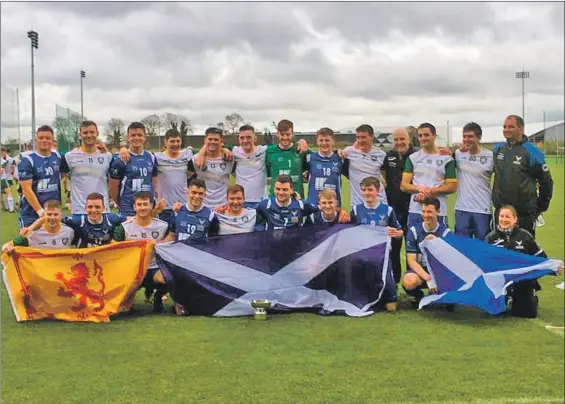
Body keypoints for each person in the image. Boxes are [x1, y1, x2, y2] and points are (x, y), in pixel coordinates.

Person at [485, 205, 562, 318]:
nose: (504, 219)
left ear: (515, 219)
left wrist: (554, 268)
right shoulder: (490, 238)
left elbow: (541, 258)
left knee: (527, 313)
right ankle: (506, 299)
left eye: (508, 217)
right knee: (496, 313)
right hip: (499, 280)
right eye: (501, 216)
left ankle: (529, 296)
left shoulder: (525, 236)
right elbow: (484, 261)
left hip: (521, 280)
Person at [491, 115, 553, 238]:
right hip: (501, 212)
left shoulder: (532, 152)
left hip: (523, 214)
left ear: (521, 129)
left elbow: (546, 181)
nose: (506, 129)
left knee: (523, 251)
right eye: (504, 127)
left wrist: (541, 206)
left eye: (511, 127)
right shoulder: (498, 149)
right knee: (500, 250)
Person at [349, 176, 403, 312]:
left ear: (377, 191)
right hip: (362, 254)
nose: (367, 193)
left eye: (370, 190)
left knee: (391, 307)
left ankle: (388, 295)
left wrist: (396, 233)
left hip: (382, 256)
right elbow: (349, 233)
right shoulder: (356, 210)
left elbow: (400, 232)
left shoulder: (388, 210)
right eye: (364, 190)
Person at [113, 191, 170, 313]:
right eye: (139, 204)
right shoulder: (124, 227)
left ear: (151, 206)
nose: (142, 208)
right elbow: (113, 249)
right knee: (124, 309)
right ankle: (128, 298)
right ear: (134, 207)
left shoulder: (163, 226)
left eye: (145, 204)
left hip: (154, 269)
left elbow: (170, 246)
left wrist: (159, 245)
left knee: (169, 277)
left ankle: (158, 296)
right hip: (133, 271)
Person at [400, 122, 457, 230]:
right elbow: (404, 185)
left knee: (439, 245)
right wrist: (420, 189)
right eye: (420, 135)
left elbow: (452, 187)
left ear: (434, 136)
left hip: (438, 211)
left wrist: (431, 192)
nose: (423, 138)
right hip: (416, 211)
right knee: (415, 244)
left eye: (426, 135)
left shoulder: (446, 158)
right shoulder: (413, 158)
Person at [21, 192, 126, 248]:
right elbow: (48, 218)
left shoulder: (112, 218)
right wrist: (30, 228)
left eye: (97, 207)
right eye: (90, 207)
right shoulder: (77, 221)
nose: (93, 210)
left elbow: (132, 220)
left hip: (105, 260)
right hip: (83, 261)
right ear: (85, 208)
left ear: (104, 208)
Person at [402, 196, 452, 308]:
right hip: (421, 274)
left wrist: (438, 244)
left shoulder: (446, 233)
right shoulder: (414, 231)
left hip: (439, 273)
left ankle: (445, 297)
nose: (425, 215)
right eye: (423, 211)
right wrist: (428, 278)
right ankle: (418, 296)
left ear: (438, 212)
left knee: (449, 296)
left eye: (429, 212)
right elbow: (412, 261)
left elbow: (449, 263)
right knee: (409, 281)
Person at [380, 127, 416, 284]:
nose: (400, 142)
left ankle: (413, 285)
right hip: (393, 210)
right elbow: (382, 173)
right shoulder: (388, 157)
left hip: (413, 210)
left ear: (409, 139)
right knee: (393, 250)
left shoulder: (417, 155)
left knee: (413, 250)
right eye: (396, 139)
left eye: (403, 139)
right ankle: (393, 285)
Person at [256, 174, 348, 230]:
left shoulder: (302, 205)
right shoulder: (265, 205)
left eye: (284, 189)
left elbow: (325, 207)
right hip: (272, 250)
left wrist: (341, 211)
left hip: (295, 252)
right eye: (278, 189)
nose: (280, 192)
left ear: (291, 190)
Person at [60, 121, 113, 215]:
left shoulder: (107, 156)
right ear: (80, 134)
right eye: (85, 133)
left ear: (97, 133)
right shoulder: (69, 156)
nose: (89, 135)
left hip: (102, 210)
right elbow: (62, 178)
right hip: (79, 211)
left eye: (92, 132)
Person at [453, 122, 494, 240]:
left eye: (470, 136)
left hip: (483, 209)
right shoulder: (458, 154)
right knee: (462, 248)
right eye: (464, 136)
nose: (466, 139)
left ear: (479, 137)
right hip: (462, 209)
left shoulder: (490, 157)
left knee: (483, 247)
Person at [109, 122, 158, 217]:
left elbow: (154, 179)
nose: (136, 138)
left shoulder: (151, 157)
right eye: (133, 135)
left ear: (144, 137)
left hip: (147, 208)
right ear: (128, 138)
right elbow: (113, 187)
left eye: (140, 135)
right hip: (128, 209)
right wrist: (121, 204)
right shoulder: (120, 160)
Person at [17, 125, 63, 228]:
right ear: (36, 140)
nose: (44, 140)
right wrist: (40, 211)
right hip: (32, 214)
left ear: (53, 140)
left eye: (48, 138)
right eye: (41, 138)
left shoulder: (58, 157)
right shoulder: (28, 160)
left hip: (53, 213)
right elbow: (26, 189)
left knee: (53, 243)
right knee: (28, 242)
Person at [341, 124, 388, 210]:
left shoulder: (381, 155)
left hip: (379, 201)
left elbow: (385, 174)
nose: (359, 140)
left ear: (372, 137)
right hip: (358, 203)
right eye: (357, 137)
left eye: (363, 137)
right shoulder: (349, 152)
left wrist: (383, 180)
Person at [154, 129, 195, 223]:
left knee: (184, 237)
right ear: (165, 142)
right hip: (165, 207)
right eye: (172, 141)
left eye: (178, 141)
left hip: (184, 205)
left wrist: (225, 149)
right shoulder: (157, 157)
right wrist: (124, 150)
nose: (176, 144)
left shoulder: (187, 154)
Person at [2, 200, 74, 253]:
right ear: (43, 215)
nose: (52, 218)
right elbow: (7, 245)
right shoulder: (33, 234)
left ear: (61, 215)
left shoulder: (69, 232)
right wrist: (7, 247)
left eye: (55, 214)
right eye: (49, 214)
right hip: (39, 272)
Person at [192, 128, 235, 208]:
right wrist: (201, 153)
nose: (212, 141)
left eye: (216, 139)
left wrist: (225, 149)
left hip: (223, 206)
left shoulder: (229, 158)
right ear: (205, 140)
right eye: (210, 139)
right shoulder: (195, 159)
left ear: (221, 141)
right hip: (202, 206)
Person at [265, 120, 309, 198]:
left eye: (288, 134)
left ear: (293, 134)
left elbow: (322, 155)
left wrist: (337, 152)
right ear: (277, 134)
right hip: (275, 199)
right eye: (282, 134)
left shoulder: (301, 149)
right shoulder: (269, 151)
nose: (285, 137)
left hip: (296, 199)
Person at [230, 125, 268, 209]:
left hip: (261, 200)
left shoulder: (264, 150)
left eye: (248, 137)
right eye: (242, 138)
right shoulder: (234, 151)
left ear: (255, 138)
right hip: (241, 201)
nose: (245, 140)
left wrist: (302, 141)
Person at [304, 127, 343, 207]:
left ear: (333, 141)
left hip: (333, 207)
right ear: (317, 142)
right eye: (321, 140)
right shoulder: (309, 158)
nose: (324, 143)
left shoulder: (340, 159)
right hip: (314, 207)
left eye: (327, 140)